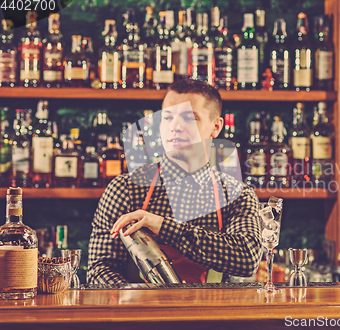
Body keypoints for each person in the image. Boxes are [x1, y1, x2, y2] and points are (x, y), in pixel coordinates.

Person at [87, 78, 262, 285]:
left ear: (216, 127)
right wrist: (137, 303)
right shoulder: (125, 189)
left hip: (212, 313)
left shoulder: (237, 195)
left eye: (190, 118)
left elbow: (247, 257)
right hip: (141, 313)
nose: (176, 127)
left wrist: (163, 227)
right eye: (168, 117)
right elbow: (100, 269)